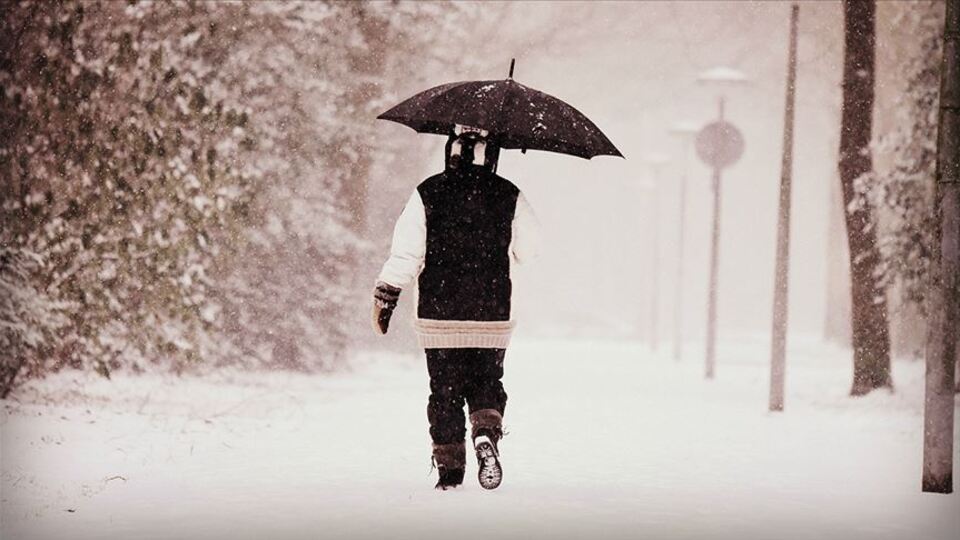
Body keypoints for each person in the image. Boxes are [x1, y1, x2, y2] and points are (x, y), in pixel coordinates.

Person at [372, 124, 540, 490]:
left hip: (439, 311)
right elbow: (529, 249)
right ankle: (484, 431)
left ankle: (450, 474)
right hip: (491, 310)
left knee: (444, 390)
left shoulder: (428, 192)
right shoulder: (508, 194)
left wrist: (387, 293)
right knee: (487, 381)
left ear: (452, 148)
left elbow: (408, 252)